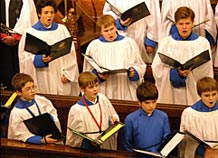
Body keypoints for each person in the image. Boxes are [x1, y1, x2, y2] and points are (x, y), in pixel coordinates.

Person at [151, 6, 214, 106]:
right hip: (170, 92)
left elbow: (206, 71)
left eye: (187, 23)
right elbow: (157, 69)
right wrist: (175, 74)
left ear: (193, 23)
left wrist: (188, 74)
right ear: (175, 24)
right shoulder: (166, 43)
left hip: (193, 92)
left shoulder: (202, 43)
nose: (184, 27)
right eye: (181, 24)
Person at [18, 0, 80, 95]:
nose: (49, 16)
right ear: (39, 14)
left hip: (59, 75)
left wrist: (68, 74)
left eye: (52, 12)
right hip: (40, 75)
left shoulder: (61, 30)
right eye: (46, 12)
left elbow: (70, 53)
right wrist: (39, 59)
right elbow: (23, 57)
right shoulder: (30, 33)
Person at [82, 14, 146, 101]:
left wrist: (134, 73)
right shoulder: (94, 46)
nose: (110, 33)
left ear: (116, 27)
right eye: (106, 30)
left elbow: (140, 64)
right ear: (101, 32)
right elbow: (87, 71)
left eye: (112, 29)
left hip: (125, 87)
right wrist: (99, 76)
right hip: (104, 89)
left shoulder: (129, 43)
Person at [66, 71, 119, 150]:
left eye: (97, 86)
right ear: (82, 88)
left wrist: (114, 119)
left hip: (106, 144)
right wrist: (87, 143)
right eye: (91, 87)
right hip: (88, 150)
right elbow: (72, 138)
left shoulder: (103, 99)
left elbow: (114, 115)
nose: (95, 89)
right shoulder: (76, 110)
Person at [8, 73, 62, 145]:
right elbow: (20, 134)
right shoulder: (17, 112)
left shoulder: (42, 101)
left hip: (50, 137)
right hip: (32, 145)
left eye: (33, 87)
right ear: (18, 92)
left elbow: (53, 114)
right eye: (28, 89)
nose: (33, 91)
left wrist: (51, 118)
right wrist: (41, 140)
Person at [122, 81, 171, 152]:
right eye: (147, 103)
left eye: (154, 102)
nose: (151, 106)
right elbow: (126, 144)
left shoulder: (163, 116)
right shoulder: (130, 119)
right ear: (139, 102)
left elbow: (166, 140)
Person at [0, 0, 38, 90]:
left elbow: (30, 22)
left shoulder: (26, 1)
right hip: (2, 46)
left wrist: (16, 37)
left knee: (20, 79)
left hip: (21, 45)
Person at [179, 77, 218, 158]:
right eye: (207, 95)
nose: (211, 98)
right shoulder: (190, 113)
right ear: (200, 95)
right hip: (200, 153)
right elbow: (185, 140)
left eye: (214, 94)